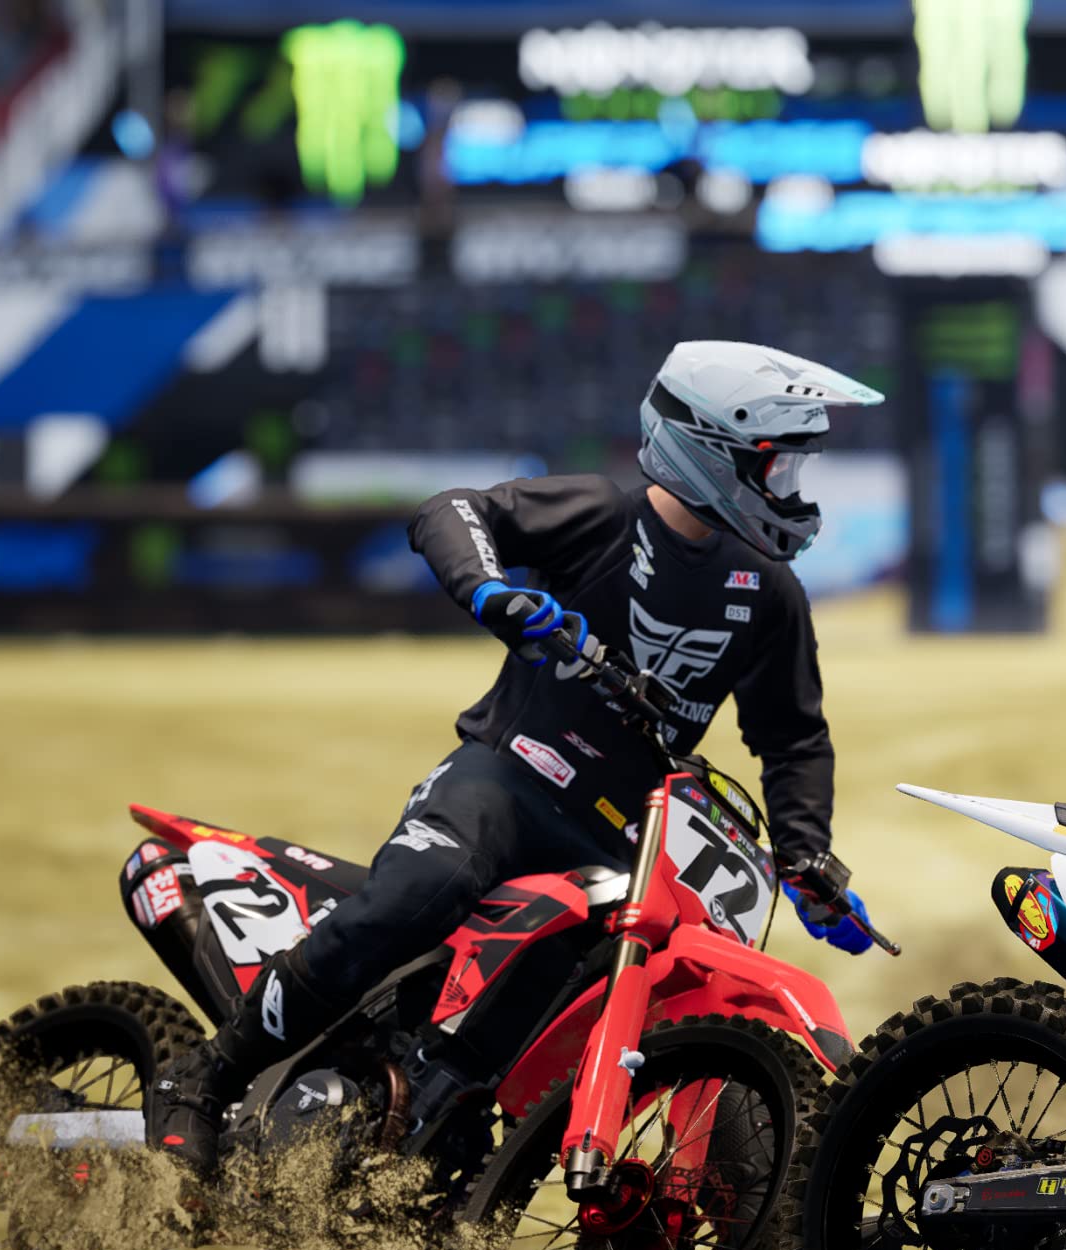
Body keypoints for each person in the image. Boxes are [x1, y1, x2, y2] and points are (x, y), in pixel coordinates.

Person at [149, 341, 885, 1171]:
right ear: (714, 452)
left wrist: (804, 855)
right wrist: (491, 591)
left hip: (620, 847)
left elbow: (793, 738)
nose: (792, 492)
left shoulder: (773, 596)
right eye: (778, 468)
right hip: (506, 781)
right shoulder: (603, 515)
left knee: (545, 1044)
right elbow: (451, 511)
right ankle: (205, 1077)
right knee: (418, 893)